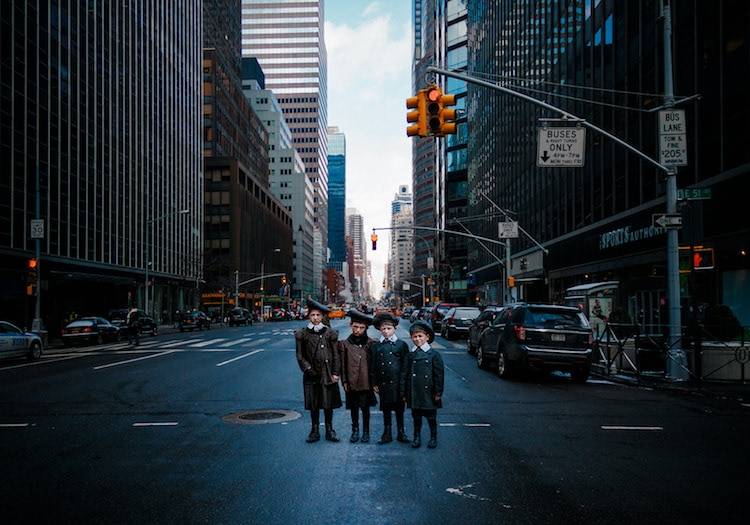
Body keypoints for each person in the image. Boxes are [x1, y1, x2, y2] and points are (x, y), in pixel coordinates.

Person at [295, 299, 342, 443]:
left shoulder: (330, 333)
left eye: (318, 315)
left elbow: (335, 354)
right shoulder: (302, 334)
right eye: (313, 315)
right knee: (313, 403)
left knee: (328, 403)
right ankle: (314, 430)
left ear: (323, 317)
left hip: (327, 372)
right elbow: (299, 354)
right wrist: (308, 368)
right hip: (311, 374)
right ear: (308, 316)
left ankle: (329, 429)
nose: (315, 318)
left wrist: (336, 373)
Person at [401, 320, 444, 449]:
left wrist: (438, 392)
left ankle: (433, 437)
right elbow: (404, 375)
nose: (417, 339)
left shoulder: (434, 355)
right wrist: (403, 393)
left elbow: (439, 375)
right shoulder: (410, 355)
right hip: (415, 392)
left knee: (431, 418)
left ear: (427, 337)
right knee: (416, 418)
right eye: (415, 336)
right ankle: (417, 437)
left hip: (429, 392)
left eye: (420, 336)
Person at [369, 312, 410, 444]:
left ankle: (401, 432)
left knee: (399, 409)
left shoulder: (401, 345)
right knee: (386, 408)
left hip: (398, 383)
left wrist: (405, 384)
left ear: (394, 329)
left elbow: (405, 366)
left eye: (389, 328)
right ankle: (387, 432)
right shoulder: (376, 346)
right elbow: (373, 365)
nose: (386, 331)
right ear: (379, 330)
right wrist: (374, 382)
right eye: (383, 329)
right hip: (383, 383)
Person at [338, 309, 377, 443]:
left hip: (366, 382)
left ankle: (366, 431)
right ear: (351, 325)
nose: (358, 330)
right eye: (356, 327)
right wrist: (344, 381)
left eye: (361, 328)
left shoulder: (371, 343)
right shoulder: (345, 344)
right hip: (351, 381)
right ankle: (355, 430)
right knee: (353, 408)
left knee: (365, 408)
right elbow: (342, 364)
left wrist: (374, 382)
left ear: (366, 328)